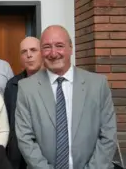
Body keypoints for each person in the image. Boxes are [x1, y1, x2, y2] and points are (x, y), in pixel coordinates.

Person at [15, 25, 117, 169]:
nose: (53, 53)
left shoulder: (98, 85)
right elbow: (25, 139)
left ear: (71, 48)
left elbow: (108, 134)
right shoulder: (26, 88)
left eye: (59, 46)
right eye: (46, 47)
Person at [4, 37, 43, 169]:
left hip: (45, 155)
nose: (29, 55)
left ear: (42, 52)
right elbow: (9, 122)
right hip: (18, 157)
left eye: (33, 50)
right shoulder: (12, 85)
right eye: (24, 52)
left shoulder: (53, 83)